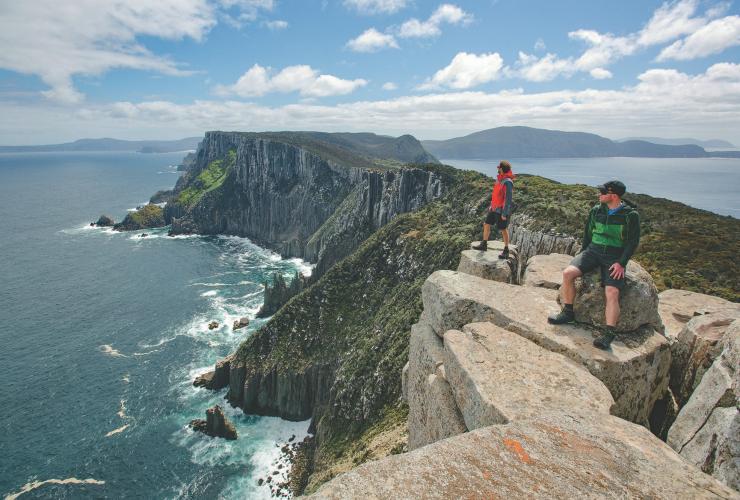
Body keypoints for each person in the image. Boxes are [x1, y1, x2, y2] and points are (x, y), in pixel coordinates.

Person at [547, 180, 640, 350]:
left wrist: (621, 263)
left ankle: (608, 333)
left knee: (612, 291)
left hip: (614, 255)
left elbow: (632, 242)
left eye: (603, 192)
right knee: (568, 273)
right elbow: (588, 233)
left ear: (613, 195)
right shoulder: (596, 210)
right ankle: (568, 313)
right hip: (593, 251)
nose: (599, 195)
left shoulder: (630, 216)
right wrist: (583, 253)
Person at [472, 160, 514, 259]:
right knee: (486, 224)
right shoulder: (499, 180)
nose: (497, 169)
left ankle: (506, 250)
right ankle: (484, 244)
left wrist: (504, 213)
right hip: (494, 208)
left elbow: (508, 199)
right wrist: (491, 205)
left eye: (499, 168)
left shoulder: (507, 182)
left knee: (503, 229)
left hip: (501, 210)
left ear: (502, 169)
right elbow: (495, 194)